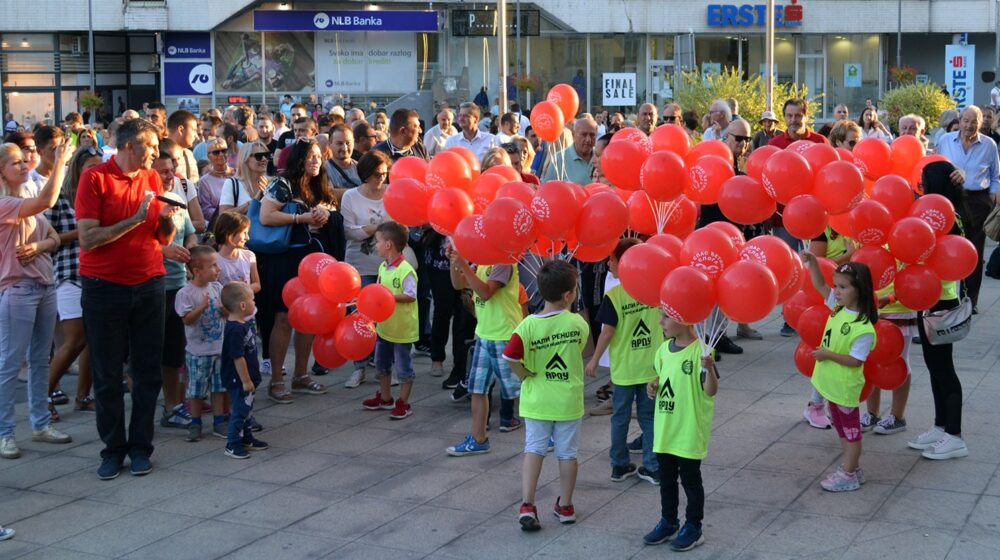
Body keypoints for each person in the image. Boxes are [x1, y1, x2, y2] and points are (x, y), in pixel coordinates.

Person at [75, 118, 179, 479]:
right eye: (151, 146)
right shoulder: (95, 178)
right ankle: (112, 449)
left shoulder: (152, 178)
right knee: (107, 374)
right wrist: (136, 219)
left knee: (147, 372)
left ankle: (140, 448)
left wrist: (167, 218)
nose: (156, 153)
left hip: (149, 283)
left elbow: (163, 238)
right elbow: (88, 238)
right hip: (104, 287)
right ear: (129, 146)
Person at [0, 141, 74, 460]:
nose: (23, 165)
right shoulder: (5, 204)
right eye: (15, 162)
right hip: (18, 289)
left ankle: (40, 423)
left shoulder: (23, 200)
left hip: (45, 286)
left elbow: (55, 237)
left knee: (41, 359)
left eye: (23, 161)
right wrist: (59, 162)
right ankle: (5, 433)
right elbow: (48, 200)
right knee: (10, 363)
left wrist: (39, 246)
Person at [504, 260, 590, 531]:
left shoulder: (527, 325)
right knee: (567, 453)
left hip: (537, 400)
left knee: (534, 449)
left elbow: (510, 355)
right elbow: (580, 348)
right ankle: (566, 506)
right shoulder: (578, 323)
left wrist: (524, 374)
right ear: (568, 295)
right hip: (568, 400)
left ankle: (527, 504)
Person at [257, 139, 334, 403]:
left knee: (308, 317)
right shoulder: (283, 183)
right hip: (284, 259)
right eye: (310, 156)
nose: (315, 161)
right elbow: (266, 216)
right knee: (283, 318)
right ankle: (276, 380)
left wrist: (325, 212)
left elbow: (331, 206)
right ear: (298, 159)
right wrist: (300, 218)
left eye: (318, 156)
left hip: (311, 260)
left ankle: (301, 375)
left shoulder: (319, 184)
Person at [906, 161, 971, 460]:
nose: (920, 186)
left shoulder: (946, 216)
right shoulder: (942, 212)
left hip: (940, 299)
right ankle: (940, 425)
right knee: (934, 367)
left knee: (944, 369)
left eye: (923, 181)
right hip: (929, 297)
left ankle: (955, 436)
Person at [585, 238, 663, 484]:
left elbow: (607, 332)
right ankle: (652, 466)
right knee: (649, 417)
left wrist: (594, 360)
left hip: (625, 371)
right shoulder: (655, 292)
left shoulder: (615, 296)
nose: (608, 263)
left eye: (612, 259)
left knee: (620, 417)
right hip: (651, 369)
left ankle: (619, 464)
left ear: (626, 262)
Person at [641, 310, 718, 550]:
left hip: (688, 430)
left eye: (666, 316)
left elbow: (710, 390)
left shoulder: (701, 352)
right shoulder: (663, 350)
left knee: (690, 481)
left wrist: (710, 368)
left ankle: (694, 526)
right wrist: (653, 385)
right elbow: (661, 377)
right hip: (665, 429)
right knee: (667, 480)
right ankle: (669, 521)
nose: (660, 321)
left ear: (684, 319)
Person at [801, 255, 877, 492]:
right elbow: (819, 285)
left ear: (859, 290)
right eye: (836, 286)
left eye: (843, 287)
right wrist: (813, 263)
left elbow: (856, 361)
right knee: (842, 430)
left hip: (844, 389)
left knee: (852, 433)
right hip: (831, 386)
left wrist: (828, 355)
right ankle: (852, 467)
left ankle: (848, 474)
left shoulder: (863, 328)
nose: (837, 291)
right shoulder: (838, 307)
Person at [445, 238, 524, 456]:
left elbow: (486, 292)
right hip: (484, 334)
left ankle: (550, 434)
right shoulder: (482, 261)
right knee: (477, 389)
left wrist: (463, 265)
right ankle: (478, 439)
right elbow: (459, 284)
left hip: (505, 335)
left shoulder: (504, 261)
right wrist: (455, 263)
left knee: (522, 389)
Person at [46, 147, 103, 421]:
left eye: (99, 166)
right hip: (69, 271)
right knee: (75, 339)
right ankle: (42, 396)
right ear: (78, 168)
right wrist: (83, 232)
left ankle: (83, 396)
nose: (96, 172)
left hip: (97, 273)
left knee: (93, 339)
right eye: (91, 166)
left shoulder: (101, 195)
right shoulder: (60, 197)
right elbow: (47, 237)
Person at [934, 106, 1000, 310]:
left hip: (978, 201)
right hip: (950, 200)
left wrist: (992, 196)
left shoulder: (988, 144)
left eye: (974, 122)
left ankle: (970, 301)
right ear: (959, 120)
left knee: (973, 252)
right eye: (966, 121)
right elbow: (935, 165)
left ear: (980, 123)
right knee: (945, 249)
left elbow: (996, 176)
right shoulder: (945, 140)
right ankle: (944, 299)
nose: (970, 125)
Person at [152, 145, 198, 431]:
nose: (169, 177)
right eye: (163, 172)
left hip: (179, 285)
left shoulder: (176, 199)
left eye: (171, 171)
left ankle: (174, 406)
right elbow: (135, 246)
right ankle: (155, 406)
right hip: (153, 286)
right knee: (150, 352)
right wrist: (164, 251)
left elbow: (191, 234)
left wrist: (190, 250)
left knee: (175, 351)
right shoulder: (147, 203)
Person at [341, 151, 392, 388]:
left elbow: (400, 228)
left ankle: (385, 369)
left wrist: (375, 229)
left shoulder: (392, 193)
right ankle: (359, 366)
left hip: (388, 266)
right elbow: (349, 231)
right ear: (365, 174)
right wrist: (377, 228)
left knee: (386, 318)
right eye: (376, 174)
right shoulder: (351, 196)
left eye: (384, 173)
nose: (380, 178)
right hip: (359, 265)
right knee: (360, 317)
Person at [361, 221, 419, 419]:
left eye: (377, 241)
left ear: (388, 244)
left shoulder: (406, 269)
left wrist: (387, 298)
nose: (375, 245)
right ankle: (385, 398)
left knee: (403, 367)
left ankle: (404, 402)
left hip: (402, 329)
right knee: (381, 364)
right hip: (385, 327)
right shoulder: (383, 267)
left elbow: (411, 295)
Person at [175, 246, 226, 442]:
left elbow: (226, 313)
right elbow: (187, 319)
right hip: (198, 352)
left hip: (219, 348)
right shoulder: (186, 293)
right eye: (213, 265)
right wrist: (201, 307)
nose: (218, 269)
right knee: (196, 391)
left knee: (219, 387)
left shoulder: (217, 288)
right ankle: (195, 423)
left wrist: (225, 309)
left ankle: (219, 421)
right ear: (197, 271)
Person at [219, 281, 269, 459]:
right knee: (240, 411)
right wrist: (246, 380)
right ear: (242, 305)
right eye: (252, 300)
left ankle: (247, 438)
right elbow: (237, 357)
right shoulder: (235, 330)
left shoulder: (243, 324)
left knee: (247, 410)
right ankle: (232, 444)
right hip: (238, 379)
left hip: (247, 378)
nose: (254, 303)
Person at [541, 116, 597, 185]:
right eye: (584, 134)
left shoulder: (601, 157)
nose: (588, 139)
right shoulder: (559, 159)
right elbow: (547, 188)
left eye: (592, 135)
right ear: (574, 135)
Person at [214, 211, 260, 293]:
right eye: (244, 233)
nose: (247, 238)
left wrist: (242, 289)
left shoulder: (249, 255)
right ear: (229, 234)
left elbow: (257, 285)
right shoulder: (214, 260)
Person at [197, 136, 235, 229]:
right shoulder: (204, 181)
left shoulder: (237, 174)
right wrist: (227, 213)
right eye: (216, 152)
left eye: (224, 151)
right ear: (208, 156)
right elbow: (206, 210)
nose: (221, 154)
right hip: (219, 225)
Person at [27, 125, 66, 197]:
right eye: (54, 149)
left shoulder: (69, 173)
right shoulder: (30, 181)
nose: (59, 152)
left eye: (61, 147)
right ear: (39, 151)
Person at [167, 110, 200, 183]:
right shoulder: (159, 155)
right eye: (194, 130)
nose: (196, 136)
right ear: (181, 130)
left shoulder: (189, 154)